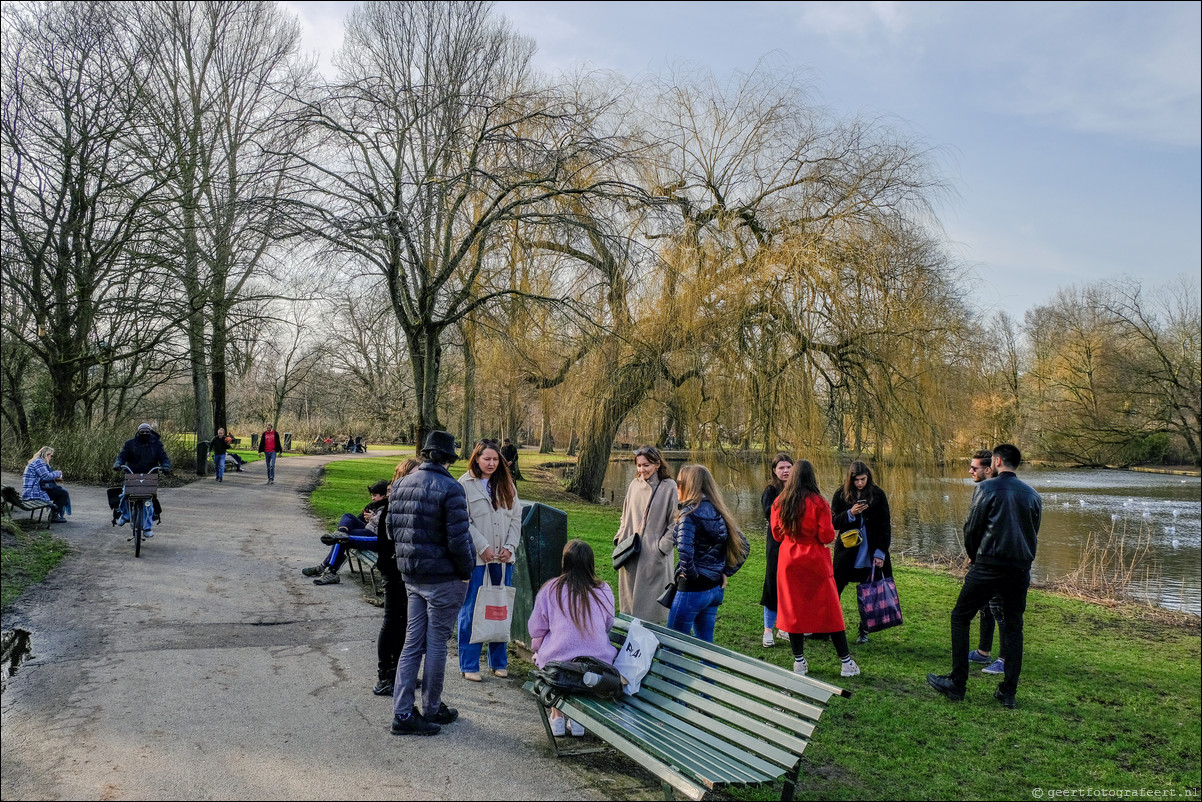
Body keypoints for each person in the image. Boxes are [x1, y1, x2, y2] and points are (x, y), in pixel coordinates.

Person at [928, 443, 1041, 709]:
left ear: (997, 461)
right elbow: (1033, 531)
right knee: (1014, 625)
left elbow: (972, 527)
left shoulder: (986, 489)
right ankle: (1008, 691)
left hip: (989, 564)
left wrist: (974, 556)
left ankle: (957, 682)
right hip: (1019, 568)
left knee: (960, 616)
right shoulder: (1033, 494)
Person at [388, 430, 475, 736]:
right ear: (449, 459)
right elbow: (459, 540)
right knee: (437, 642)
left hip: (412, 575)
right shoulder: (451, 488)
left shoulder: (400, 484)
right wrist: (467, 571)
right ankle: (432, 707)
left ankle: (402, 710)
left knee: (413, 643)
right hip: (443, 577)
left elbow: (391, 529)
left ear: (425, 454)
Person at [771, 459, 861, 678]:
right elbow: (827, 535)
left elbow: (776, 534)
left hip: (789, 559)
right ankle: (846, 662)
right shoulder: (818, 502)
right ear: (812, 477)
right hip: (814, 559)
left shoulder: (780, 502)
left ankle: (799, 662)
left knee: (793, 611)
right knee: (829, 609)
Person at [528, 539, 617, 737]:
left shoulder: (551, 589)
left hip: (559, 665)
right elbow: (608, 624)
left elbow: (536, 629)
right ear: (591, 563)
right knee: (577, 672)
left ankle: (557, 716)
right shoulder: (603, 590)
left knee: (554, 664)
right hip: (597, 665)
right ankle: (578, 719)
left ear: (564, 562)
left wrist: (537, 649)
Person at [457, 439, 522, 682]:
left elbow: (516, 518)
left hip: (503, 560)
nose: (492, 463)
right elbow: (464, 521)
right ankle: (469, 664)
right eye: (487, 459)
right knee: (472, 609)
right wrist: (481, 546)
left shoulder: (507, 484)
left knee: (499, 609)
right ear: (477, 459)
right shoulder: (464, 485)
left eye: (495, 459)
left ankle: (498, 661)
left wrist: (510, 546)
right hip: (477, 559)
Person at [667, 465, 749, 643]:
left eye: (679, 482)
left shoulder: (688, 515)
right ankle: (710, 671)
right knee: (706, 646)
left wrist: (692, 578)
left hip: (693, 590)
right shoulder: (720, 511)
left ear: (690, 485)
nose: (676, 487)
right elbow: (745, 546)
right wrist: (725, 571)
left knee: (673, 645)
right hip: (714, 588)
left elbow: (685, 553)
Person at [613, 445, 678, 625]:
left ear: (657, 464)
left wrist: (661, 548)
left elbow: (676, 522)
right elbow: (624, 516)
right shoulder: (634, 485)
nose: (642, 470)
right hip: (630, 553)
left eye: (646, 465)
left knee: (651, 613)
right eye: (639, 465)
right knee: (629, 607)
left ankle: (649, 644)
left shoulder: (669, 487)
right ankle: (631, 646)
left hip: (653, 558)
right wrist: (620, 538)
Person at [830, 460, 893, 644]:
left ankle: (864, 630)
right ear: (850, 479)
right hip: (847, 555)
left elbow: (885, 526)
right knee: (834, 591)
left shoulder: (878, 495)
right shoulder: (841, 494)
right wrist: (850, 513)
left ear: (868, 477)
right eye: (856, 480)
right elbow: (833, 523)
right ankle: (828, 627)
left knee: (869, 594)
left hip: (870, 554)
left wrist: (880, 553)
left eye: (863, 479)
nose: (859, 483)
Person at [373, 458, 420, 696]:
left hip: (409, 572)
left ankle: (400, 672)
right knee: (392, 621)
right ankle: (384, 675)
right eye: (413, 473)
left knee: (405, 623)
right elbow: (387, 542)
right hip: (393, 571)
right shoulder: (392, 506)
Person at [301, 480, 390, 586]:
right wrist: (366, 519)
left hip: (378, 537)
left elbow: (388, 523)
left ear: (383, 495)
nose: (372, 498)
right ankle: (341, 532)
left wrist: (372, 518)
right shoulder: (374, 505)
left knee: (341, 539)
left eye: (375, 495)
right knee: (347, 518)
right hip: (368, 530)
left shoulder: (390, 506)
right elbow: (359, 519)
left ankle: (327, 568)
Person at [966, 449, 1007, 676]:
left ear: (988, 469)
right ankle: (983, 651)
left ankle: (1003, 659)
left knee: (1000, 608)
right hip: (983, 558)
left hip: (996, 562)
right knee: (985, 607)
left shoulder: (995, 491)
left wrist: (976, 552)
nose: (970, 471)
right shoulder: (985, 489)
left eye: (974, 467)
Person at [113, 423, 171, 537]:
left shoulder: (156, 445)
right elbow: (122, 455)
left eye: (147, 432)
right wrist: (118, 463)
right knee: (125, 494)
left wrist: (165, 466)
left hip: (150, 477)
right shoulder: (130, 444)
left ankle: (147, 527)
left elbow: (164, 457)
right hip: (132, 475)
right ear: (138, 432)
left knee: (148, 501)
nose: (144, 433)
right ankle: (125, 515)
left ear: (150, 432)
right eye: (142, 431)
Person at [760, 453, 793, 647]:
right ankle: (768, 630)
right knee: (772, 583)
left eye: (788, 467)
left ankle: (785, 627)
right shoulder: (771, 490)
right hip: (776, 543)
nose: (785, 471)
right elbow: (769, 515)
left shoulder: (799, 489)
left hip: (794, 543)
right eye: (781, 468)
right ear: (774, 470)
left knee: (790, 585)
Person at [22, 446, 70, 523]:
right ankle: (54, 516)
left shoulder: (36, 461)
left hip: (32, 489)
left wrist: (54, 477)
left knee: (60, 491)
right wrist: (58, 473)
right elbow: (46, 476)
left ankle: (55, 514)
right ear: (46, 454)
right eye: (51, 456)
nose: (51, 458)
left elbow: (42, 476)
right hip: (33, 491)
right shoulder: (39, 462)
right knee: (63, 493)